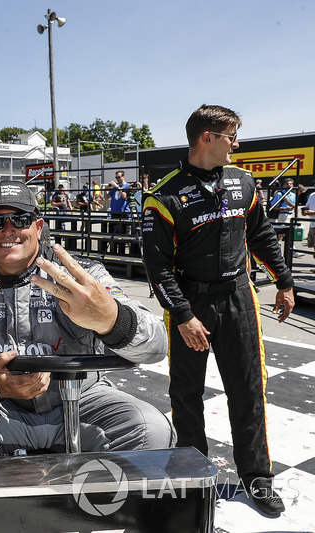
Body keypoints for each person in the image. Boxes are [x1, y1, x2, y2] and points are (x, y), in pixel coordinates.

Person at [0, 181, 174, 455]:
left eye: (20, 219)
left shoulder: (82, 275)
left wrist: (112, 319)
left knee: (150, 428)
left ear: (38, 228)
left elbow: (157, 346)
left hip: (85, 400)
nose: (8, 230)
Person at [141, 104, 295, 517]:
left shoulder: (243, 182)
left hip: (238, 296)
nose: (238, 144)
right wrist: (184, 314)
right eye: (232, 136)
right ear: (207, 138)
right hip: (190, 302)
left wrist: (284, 281)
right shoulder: (164, 195)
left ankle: (257, 477)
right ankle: (192, 473)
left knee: (248, 389)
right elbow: (157, 267)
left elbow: (261, 235)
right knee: (187, 394)